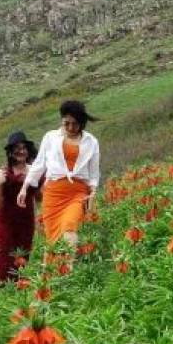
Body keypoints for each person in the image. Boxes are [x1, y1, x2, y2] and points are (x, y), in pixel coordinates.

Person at [18, 100, 100, 249]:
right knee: (53, 240)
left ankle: (67, 268)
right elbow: (39, 165)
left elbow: (94, 173)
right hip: (53, 194)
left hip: (77, 192)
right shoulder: (50, 137)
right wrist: (24, 188)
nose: (70, 127)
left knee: (70, 227)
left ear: (81, 122)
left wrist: (93, 191)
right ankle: (54, 271)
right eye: (66, 123)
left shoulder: (91, 141)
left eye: (74, 123)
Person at [0, 131, 40, 282]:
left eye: (24, 147)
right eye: (17, 148)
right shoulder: (3, 173)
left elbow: (40, 198)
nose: (21, 151)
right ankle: (1, 293)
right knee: (4, 260)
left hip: (26, 222)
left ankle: (19, 291)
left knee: (23, 258)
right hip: (6, 223)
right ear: (11, 152)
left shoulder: (34, 171)